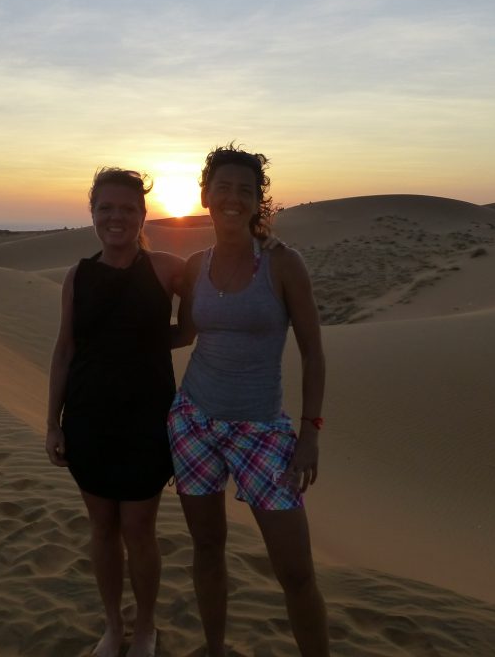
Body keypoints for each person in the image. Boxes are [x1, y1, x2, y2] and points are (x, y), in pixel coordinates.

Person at [168, 144, 329, 656]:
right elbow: (185, 335)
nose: (233, 199)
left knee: (296, 572)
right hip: (194, 423)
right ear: (205, 195)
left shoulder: (283, 265)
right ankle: (215, 648)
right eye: (223, 188)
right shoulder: (196, 266)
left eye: (245, 190)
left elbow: (313, 352)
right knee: (208, 548)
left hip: (262, 432)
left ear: (259, 201)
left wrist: (309, 434)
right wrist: (114, 331)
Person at [47, 168, 185, 657]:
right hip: (88, 418)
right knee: (102, 527)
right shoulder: (77, 277)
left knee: (139, 530)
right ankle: (113, 626)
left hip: (148, 421)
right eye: (106, 207)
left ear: (143, 214)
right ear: (92, 214)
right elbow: (65, 351)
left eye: (127, 208)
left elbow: (192, 326)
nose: (116, 217)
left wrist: (148, 343)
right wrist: (52, 424)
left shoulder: (168, 268)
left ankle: (145, 627)